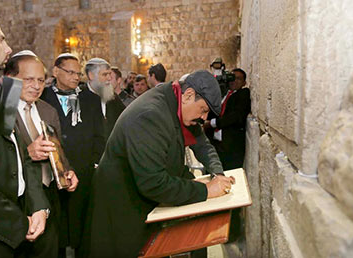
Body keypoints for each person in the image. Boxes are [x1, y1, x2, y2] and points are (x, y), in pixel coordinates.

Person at [83, 70, 235, 257]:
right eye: (203, 110)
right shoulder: (150, 115)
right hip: (122, 204)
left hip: (143, 196)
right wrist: (207, 191)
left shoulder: (175, 99)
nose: (204, 118)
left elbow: (202, 144)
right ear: (188, 95)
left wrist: (218, 174)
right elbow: (153, 183)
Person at [0, 9, 49, 258]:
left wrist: (38, 206)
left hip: (18, 226)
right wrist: (18, 223)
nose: (9, 48)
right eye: (1, 39)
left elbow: (22, 158)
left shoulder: (3, 94)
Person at [4, 50, 79, 257]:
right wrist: (27, 152)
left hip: (49, 197)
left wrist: (67, 171)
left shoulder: (48, 111)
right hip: (17, 200)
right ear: (10, 79)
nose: (36, 86)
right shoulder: (0, 111)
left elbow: (58, 152)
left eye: (40, 80)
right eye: (28, 79)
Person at [40, 53, 105, 256]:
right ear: (56, 71)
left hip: (83, 170)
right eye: (70, 72)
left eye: (78, 73)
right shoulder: (42, 97)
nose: (76, 77)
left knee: (82, 225)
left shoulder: (90, 99)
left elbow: (99, 134)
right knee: (56, 227)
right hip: (53, 171)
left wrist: (94, 163)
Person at [204, 68, 251, 170]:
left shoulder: (243, 94)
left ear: (244, 82)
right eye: (232, 78)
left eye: (238, 79)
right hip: (216, 144)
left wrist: (212, 123)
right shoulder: (225, 94)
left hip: (230, 147)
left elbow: (235, 116)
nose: (234, 81)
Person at [84, 58, 125, 140]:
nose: (109, 78)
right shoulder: (80, 97)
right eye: (105, 74)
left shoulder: (113, 97)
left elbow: (124, 119)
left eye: (110, 74)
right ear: (91, 75)